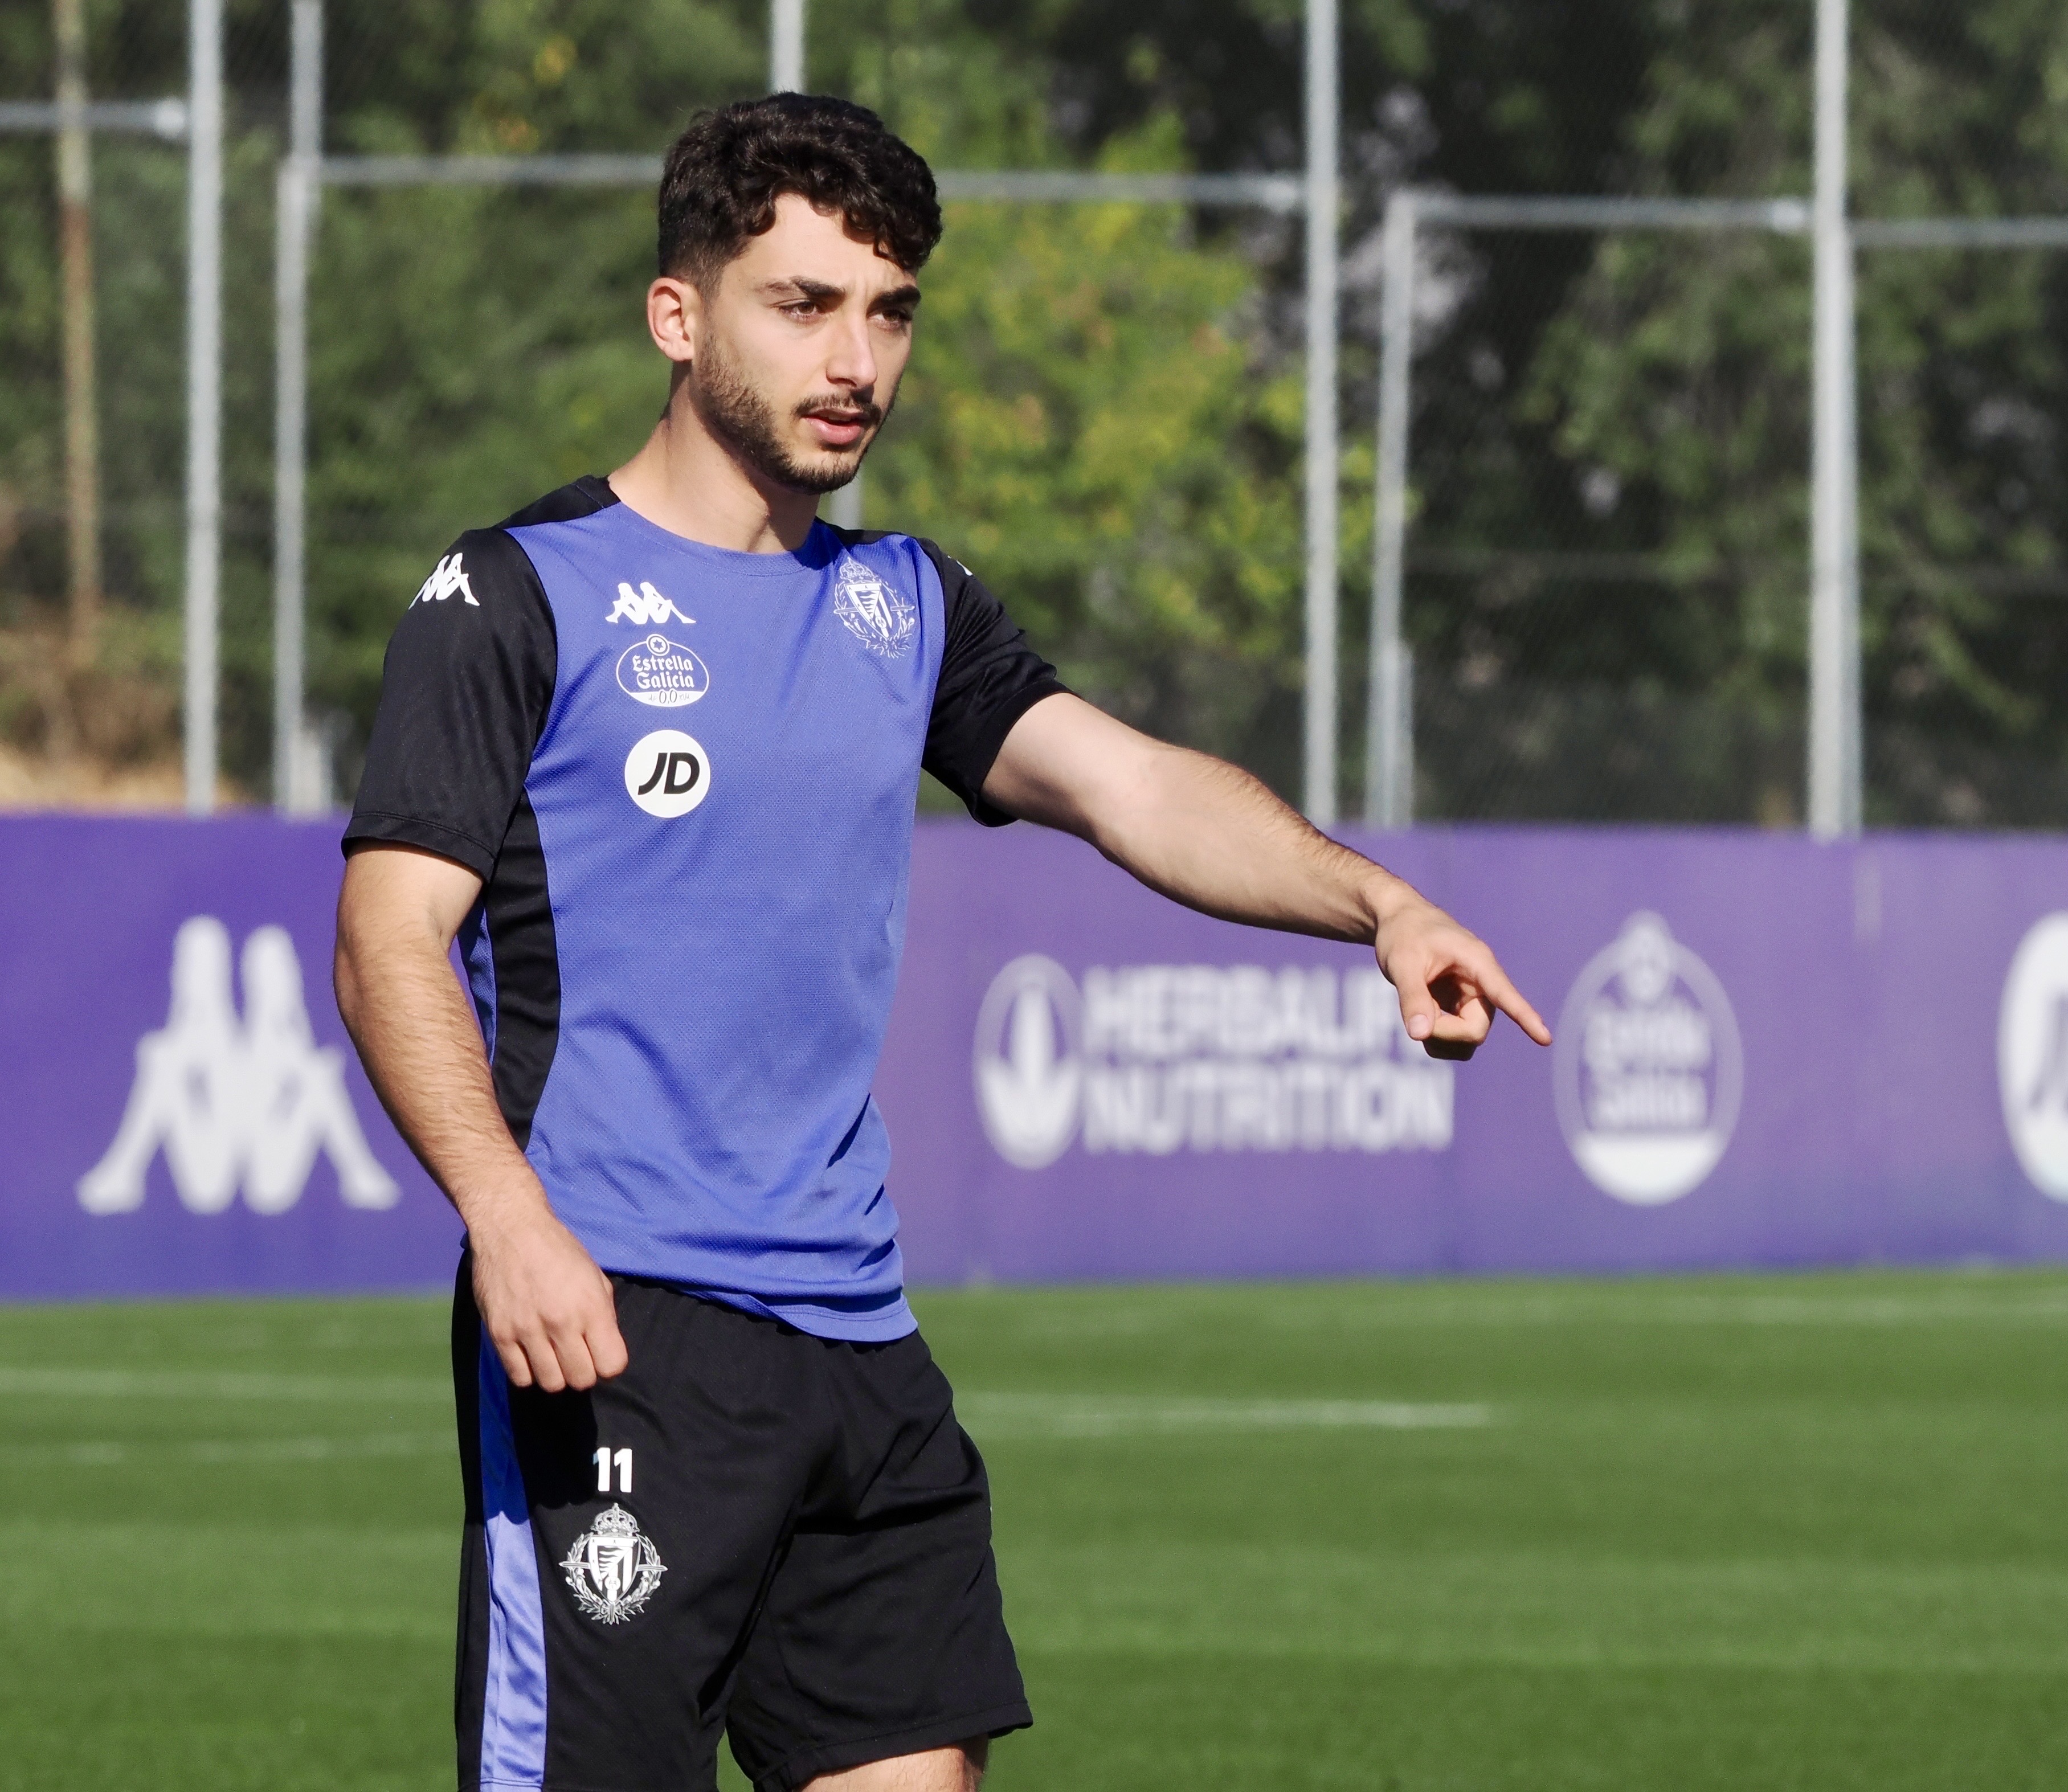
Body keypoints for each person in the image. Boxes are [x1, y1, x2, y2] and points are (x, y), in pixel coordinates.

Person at [333, 93, 1550, 1792]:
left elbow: (1131, 788)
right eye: (805, 304)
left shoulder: (904, 601)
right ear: (679, 317)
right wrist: (507, 1217)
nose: (858, 360)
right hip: (617, 1339)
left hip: (861, 1351)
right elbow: (389, 941)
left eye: (890, 311)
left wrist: (1380, 901)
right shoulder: (519, 596)